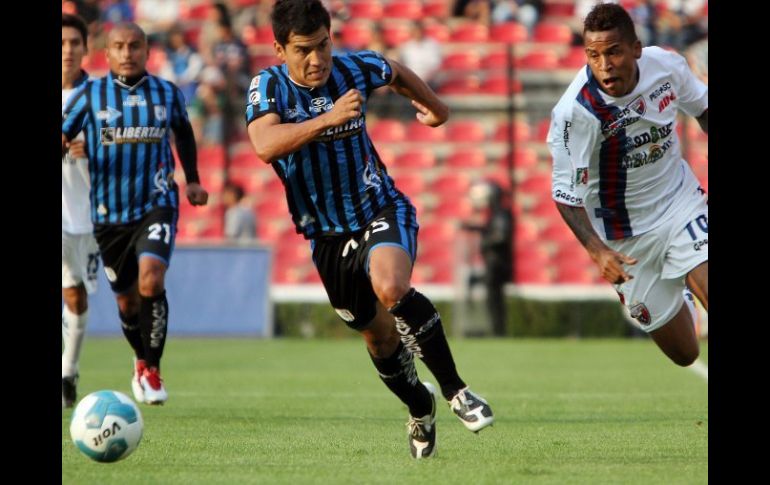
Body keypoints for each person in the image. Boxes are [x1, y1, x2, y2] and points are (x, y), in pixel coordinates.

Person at [246, 0, 494, 459]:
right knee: (379, 338)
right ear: (279, 49)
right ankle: (421, 408)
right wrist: (327, 120)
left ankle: (458, 391)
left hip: (380, 207)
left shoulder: (353, 68)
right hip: (326, 237)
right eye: (303, 50)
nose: (317, 59)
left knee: (392, 286)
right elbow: (264, 145)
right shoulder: (268, 87)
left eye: (323, 45)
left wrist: (435, 107)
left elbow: (394, 70)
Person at [547, 3, 708, 367]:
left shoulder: (666, 66)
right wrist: (597, 252)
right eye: (594, 55)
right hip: (623, 237)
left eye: (614, 52)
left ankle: (687, 263)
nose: (604, 65)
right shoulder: (577, 112)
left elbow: (703, 109)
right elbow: (565, 194)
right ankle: (677, 292)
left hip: (679, 203)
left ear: (635, 48)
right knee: (686, 353)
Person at [62, 22, 209, 404]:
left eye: (135, 46)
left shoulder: (166, 92)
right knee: (126, 301)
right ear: (106, 54)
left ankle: (153, 370)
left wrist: (192, 180)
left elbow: (184, 134)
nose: (127, 54)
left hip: (156, 203)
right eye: (119, 47)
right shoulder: (90, 95)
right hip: (109, 215)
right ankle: (141, 359)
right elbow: (64, 132)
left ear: (146, 51)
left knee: (151, 280)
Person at [62, 13, 99, 409]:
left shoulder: (100, 95)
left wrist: (94, 150)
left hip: (87, 215)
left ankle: (68, 372)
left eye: (74, 42)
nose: (68, 50)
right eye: (62, 43)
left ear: (86, 48)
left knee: (75, 297)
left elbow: (124, 146)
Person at [460, 180, 513, 337]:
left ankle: (498, 331)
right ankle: (496, 330)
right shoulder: (498, 214)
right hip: (493, 263)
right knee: (493, 299)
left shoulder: (501, 214)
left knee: (495, 300)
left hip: (497, 264)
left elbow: (501, 237)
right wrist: (475, 228)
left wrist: (485, 241)